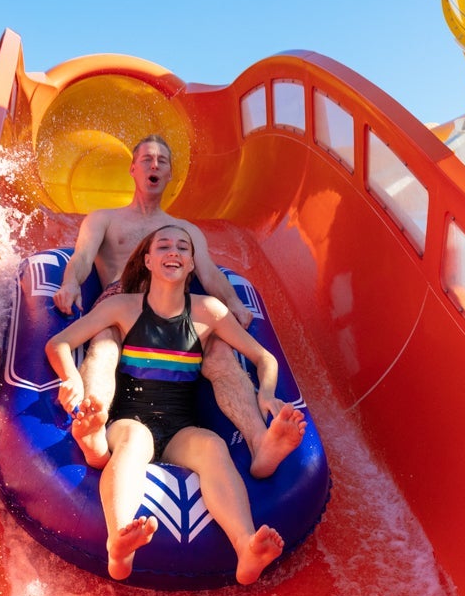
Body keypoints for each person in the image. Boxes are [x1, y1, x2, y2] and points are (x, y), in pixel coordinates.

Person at [46, 225, 298, 584]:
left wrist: (267, 392)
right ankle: (120, 545)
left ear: (192, 263)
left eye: (183, 247)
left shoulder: (208, 311)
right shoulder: (123, 307)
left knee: (212, 446)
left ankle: (245, 548)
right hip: (129, 418)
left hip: (181, 425)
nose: (173, 251)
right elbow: (58, 343)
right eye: (163, 245)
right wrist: (70, 376)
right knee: (133, 443)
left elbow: (264, 359)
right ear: (148, 260)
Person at [52, 134, 304, 478]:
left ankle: (262, 442)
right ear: (132, 169)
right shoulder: (104, 219)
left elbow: (210, 273)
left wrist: (233, 303)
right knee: (106, 343)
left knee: (218, 353)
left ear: (171, 175)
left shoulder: (185, 231)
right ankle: (92, 421)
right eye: (147, 160)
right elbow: (81, 257)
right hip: (121, 300)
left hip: (177, 312)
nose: (154, 166)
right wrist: (70, 283)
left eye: (162, 161)